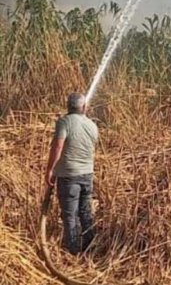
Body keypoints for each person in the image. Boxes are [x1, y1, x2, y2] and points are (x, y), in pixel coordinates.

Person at [44, 93, 99, 254]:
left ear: (68, 106)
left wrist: (50, 170)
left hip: (69, 176)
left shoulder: (64, 122)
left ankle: (74, 251)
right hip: (87, 174)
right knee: (85, 211)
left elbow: (58, 147)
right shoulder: (92, 126)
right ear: (84, 107)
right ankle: (90, 246)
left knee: (69, 215)